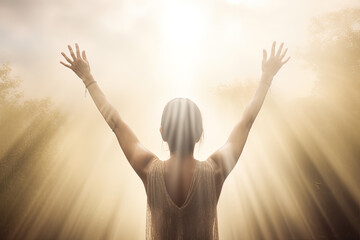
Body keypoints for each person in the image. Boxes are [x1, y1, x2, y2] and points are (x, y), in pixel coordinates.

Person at [60, 41, 290, 240]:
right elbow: (246, 122)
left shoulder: (150, 170)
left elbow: (116, 123)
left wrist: (88, 79)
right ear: (200, 133)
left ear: (162, 133)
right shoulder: (215, 170)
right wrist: (266, 78)